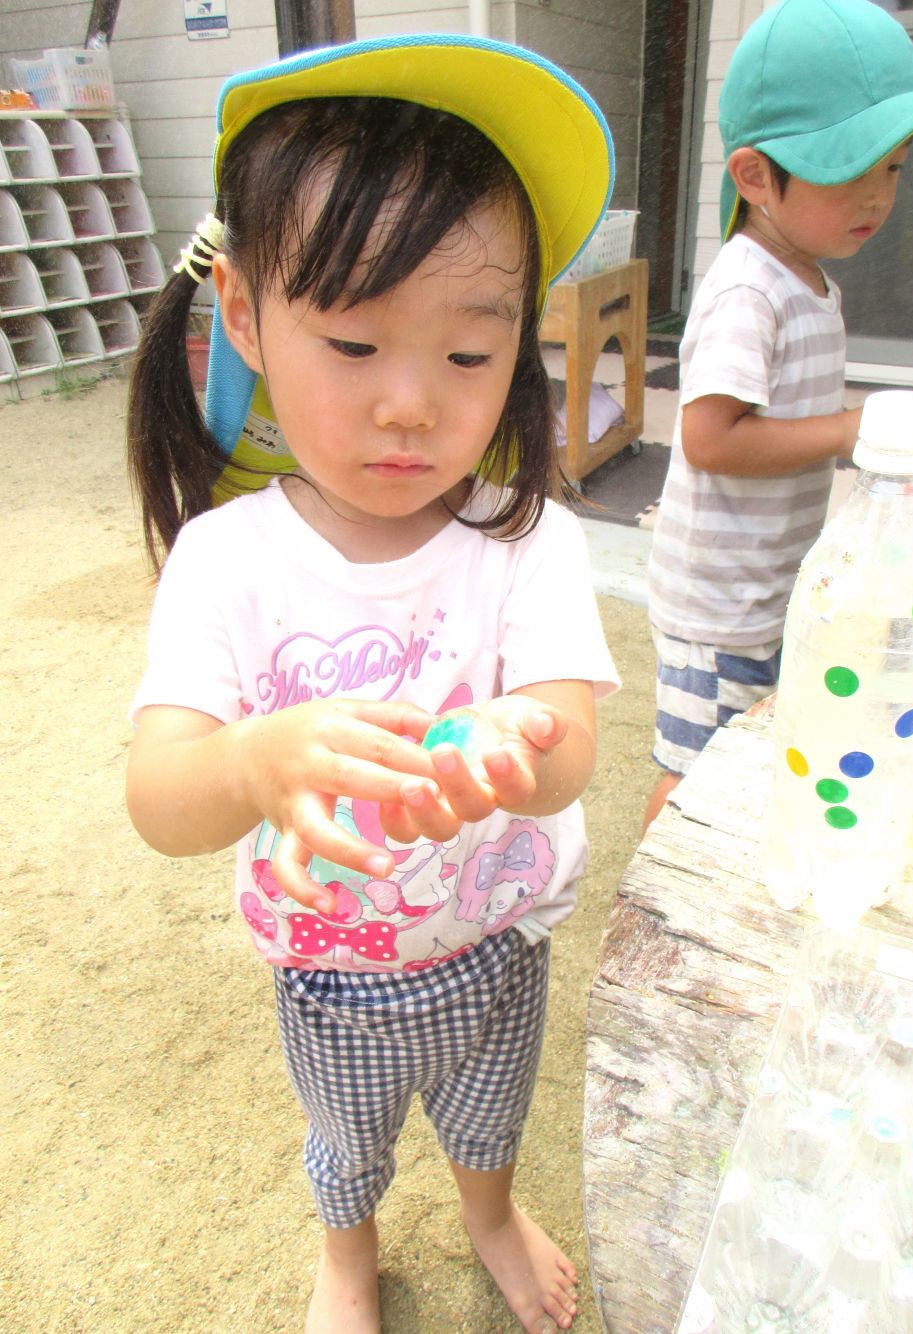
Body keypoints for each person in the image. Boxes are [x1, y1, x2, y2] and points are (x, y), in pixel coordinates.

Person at [125, 35, 619, 1334]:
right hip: (330, 969)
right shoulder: (229, 559)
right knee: (345, 1140)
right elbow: (163, 794)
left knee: (488, 1113)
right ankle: (344, 1257)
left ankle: (491, 1214)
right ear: (242, 312)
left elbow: (571, 748)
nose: (412, 405)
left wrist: (522, 738)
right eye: (352, 341)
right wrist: (252, 759)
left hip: (497, 944)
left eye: (469, 356)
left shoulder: (527, 539)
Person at [643, 0, 913, 831]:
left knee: (759, 743)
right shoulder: (750, 290)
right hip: (716, 604)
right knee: (693, 772)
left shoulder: (811, 279)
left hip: (768, 579)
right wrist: (852, 434)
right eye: (848, 168)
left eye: (894, 167)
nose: (878, 195)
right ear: (754, 176)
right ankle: (650, 913)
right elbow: (709, 439)